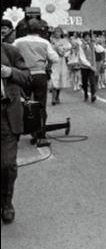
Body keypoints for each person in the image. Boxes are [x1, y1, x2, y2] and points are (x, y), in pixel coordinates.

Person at [1, 23, 32, 224]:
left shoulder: (10, 51)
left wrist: (10, 72)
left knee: (7, 164)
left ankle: (6, 202)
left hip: (6, 113)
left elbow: (28, 78)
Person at [13, 18, 59, 147]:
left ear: (26, 29)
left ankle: (23, 131)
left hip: (24, 75)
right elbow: (55, 59)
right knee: (40, 105)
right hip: (40, 75)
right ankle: (41, 136)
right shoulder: (44, 42)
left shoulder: (18, 42)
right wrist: (46, 63)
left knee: (24, 104)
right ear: (40, 30)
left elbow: (10, 53)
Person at [48, 27, 71, 105]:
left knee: (61, 79)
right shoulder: (51, 40)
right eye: (56, 32)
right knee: (54, 78)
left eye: (59, 32)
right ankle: (53, 98)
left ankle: (57, 95)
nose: (58, 33)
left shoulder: (64, 41)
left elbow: (68, 48)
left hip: (61, 61)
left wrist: (62, 49)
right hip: (54, 61)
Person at [75, 32, 99, 103]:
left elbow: (99, 50)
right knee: (84, 82)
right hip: (84, 67)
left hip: (92, 66)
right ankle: (85, 94)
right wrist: (90, 66)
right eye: (86, 36)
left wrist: (94, 42)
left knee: (92, 81)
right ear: (84, 37)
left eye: (89, 36)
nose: (88, 38)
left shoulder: (92, 44)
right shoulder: (81, 46)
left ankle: (93, 95)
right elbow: (82, 58)